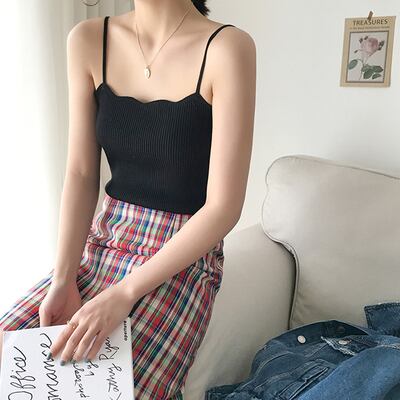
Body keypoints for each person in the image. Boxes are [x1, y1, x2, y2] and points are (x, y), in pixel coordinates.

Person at [0, 0, 256, 398]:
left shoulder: (227, 48)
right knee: (10, 360)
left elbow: (224, 207)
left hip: (181, 258)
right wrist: (64, 279)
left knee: (106, 390)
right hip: (105, 242)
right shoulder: (88, 39)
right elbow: (81, 173)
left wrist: (123, 294)